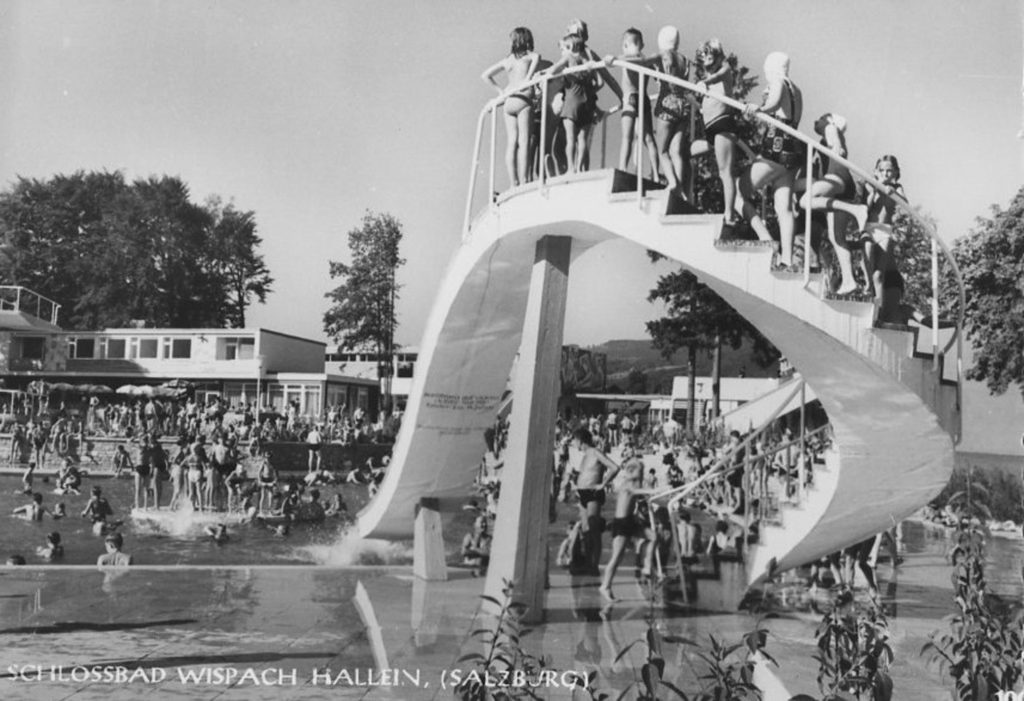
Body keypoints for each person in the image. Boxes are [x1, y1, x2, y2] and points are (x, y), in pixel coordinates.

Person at [738, 51, 804, 267]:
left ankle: (765, 239)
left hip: (775, 149)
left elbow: (774, 103)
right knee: (783, 208)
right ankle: (787, 259)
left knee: (738, 193)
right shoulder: (797, 90)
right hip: (793, 152)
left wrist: (761, 108)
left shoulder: (778, 82)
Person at [796, 113, 859, 294]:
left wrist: (836, 146)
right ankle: (849, 281)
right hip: (844, 185)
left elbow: (836, 146)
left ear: (830, 120)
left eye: (821, 118)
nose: (816, 121)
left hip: (836, 177)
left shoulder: (830, 129)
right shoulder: (827, 136)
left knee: (805, 201)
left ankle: (855, 209)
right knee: (836, 237)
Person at [482, 27, 540, 188]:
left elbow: (485, 75)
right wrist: (527, 80)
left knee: (511, 142)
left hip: (509, 102)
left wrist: (501, 91)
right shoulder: (531, 57)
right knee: (524, 140)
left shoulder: (507, 61)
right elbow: (534, 64)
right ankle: (524, 180)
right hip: (523, 99)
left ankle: (513, 182)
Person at [692, 38, 742, 225]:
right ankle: (680, 191)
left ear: (718, 56)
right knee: (685, 151)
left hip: (723, 125)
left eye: (710, 55)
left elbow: (719, 75)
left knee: (725, 171)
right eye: (704, 56)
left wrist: (704, 82)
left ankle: (729, 214)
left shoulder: (724, 70)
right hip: (710, 129)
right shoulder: (706, 78)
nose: (707, 59)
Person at [599, 457, 655, 601]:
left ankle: (647, 565)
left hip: (630, 520)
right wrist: (663, 489)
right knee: (617, 557)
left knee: (654, 537)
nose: (642, 474)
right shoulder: (628, 485)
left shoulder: (632, 484)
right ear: (631, 472)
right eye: (640, 471)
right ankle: (605, 586)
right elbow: (644, 491)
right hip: (622, 523)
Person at [610, 28, 660, 179]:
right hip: (643, 99)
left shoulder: (626, 58)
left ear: (625, 45)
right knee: (649, 139)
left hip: (630, 98)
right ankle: (656, 174)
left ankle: (623, 168)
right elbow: (657, 75)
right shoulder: (646, 61)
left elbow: (617, 61)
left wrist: (613, 58)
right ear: (642, 44)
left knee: (627, 137)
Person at [572, 427, 622, 576]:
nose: (573, 443)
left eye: (574, 440)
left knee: (593, 529)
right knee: (586, 530)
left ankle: (594, 565)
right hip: (583, 494)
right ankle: (588, 563)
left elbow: (614, 467)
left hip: (593, 493)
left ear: (580, 440)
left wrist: (603, 483)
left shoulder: (595, 452)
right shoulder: (585, 455)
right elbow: (589, 472)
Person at [651, 26, 692, 198]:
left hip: (667, 103)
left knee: (662, 150)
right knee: (676, 151)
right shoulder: (685, 60)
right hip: (683, 105)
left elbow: (643, 61)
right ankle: (681, 189)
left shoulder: (663, 55)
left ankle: (672, 182)